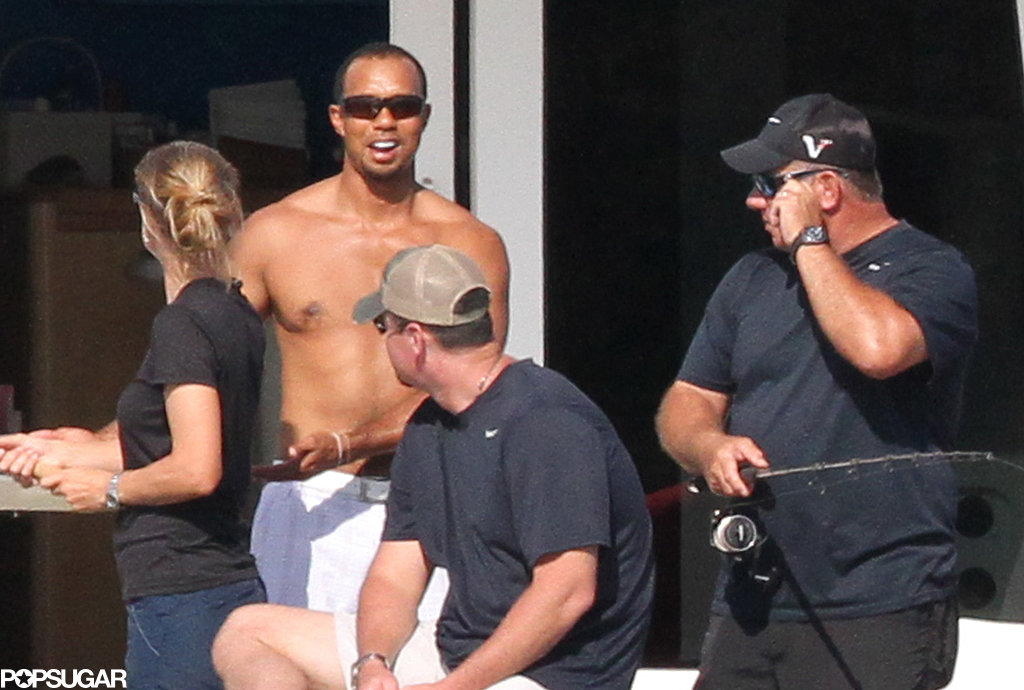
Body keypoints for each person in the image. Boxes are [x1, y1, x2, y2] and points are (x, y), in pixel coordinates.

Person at [212, 244, 654, 689]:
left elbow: (566, 593)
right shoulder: (429, 427)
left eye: (384, 326)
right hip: (458, 655)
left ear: (416, 340)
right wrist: (372, 663)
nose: (382, 340)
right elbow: (396, 574)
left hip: (551, 675)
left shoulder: (547, 422)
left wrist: (455, 687)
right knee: (248, 632)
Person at [656, 94, 978, 689]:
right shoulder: (752, 277)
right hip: (754, 594)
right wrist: (708, 446)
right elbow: (687, 398)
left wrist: (810, 244)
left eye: (768, 182)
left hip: (877, 600)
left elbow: (877, 350)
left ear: (825, 189)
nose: (755, 199)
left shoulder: (932, 269)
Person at [233, 42, 509, 616]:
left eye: (402, 106)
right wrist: (107, 443)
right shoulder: (275, 233)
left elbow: (474, 387)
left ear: (424, 117)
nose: (384, 121)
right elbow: (203, 357)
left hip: (427, 500)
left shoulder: (468, 242)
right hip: (308, 504)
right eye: (365, 106)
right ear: (338, 118)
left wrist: (350, 444)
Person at [0, 141, 267, 689]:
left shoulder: (183, 324)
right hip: (216, 584)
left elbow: (197, 467)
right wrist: (69, 450)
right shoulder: (232, 309)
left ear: (148, 221)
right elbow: (171, 435)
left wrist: (109, 490)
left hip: (184, 588)